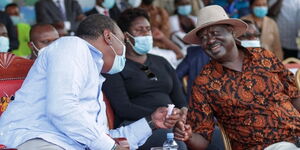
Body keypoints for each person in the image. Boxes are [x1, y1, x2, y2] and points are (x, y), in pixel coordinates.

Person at [0, 14, 181, 150]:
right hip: (37, 140)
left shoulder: (95, 75)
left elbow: (105, 137)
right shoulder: (72, 46)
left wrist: (151, 122)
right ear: (109, 37)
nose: (124, 53)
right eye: (123, 44)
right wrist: (110, 147)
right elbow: (62, 108)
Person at [173, 5, 300, 150]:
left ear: (231, 32)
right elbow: (202, 140)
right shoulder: (204, 83)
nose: (210, 40)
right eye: (204, 38)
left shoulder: (264, 56)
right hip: (267, 146)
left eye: (215, 33)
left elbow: (294, 94)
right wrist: (188, 136)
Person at [102, 8, 187, 150]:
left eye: (148, 29)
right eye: (139, 30)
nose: (146, 34)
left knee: (212, 136)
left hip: (170, 123)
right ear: (126, 36)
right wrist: (158, 117)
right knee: (175, 146)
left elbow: (180, 99)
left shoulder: (162, 62)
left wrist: (182, 114)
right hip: (137, 126)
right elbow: (123, 108)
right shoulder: (116, 66)